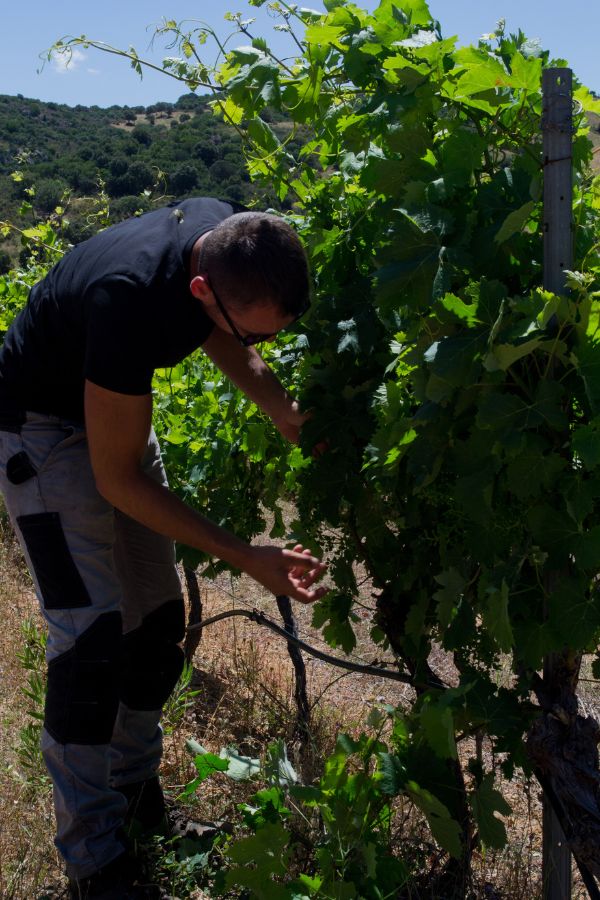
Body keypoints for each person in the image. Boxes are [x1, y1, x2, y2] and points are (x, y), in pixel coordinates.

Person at [0, 197, 327, 899]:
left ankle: (134, 794)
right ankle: (94, 861)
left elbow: (222, 334)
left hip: (110, 409)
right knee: (89, 647)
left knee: (153, 626)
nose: (258, 349)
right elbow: (116, 480)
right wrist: (245, 555)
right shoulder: (129, 299)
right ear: (203, 290)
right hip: (40, 433)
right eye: (257, 337)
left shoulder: (230, 234)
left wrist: (283, 411)